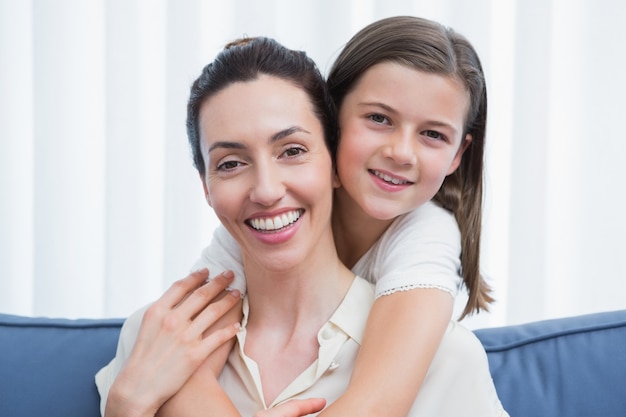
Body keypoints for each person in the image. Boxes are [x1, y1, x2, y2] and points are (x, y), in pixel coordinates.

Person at [96, 35, 507, 416]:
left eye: (292, 150)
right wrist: (124, 406)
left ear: (333, 159)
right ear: (205, 186)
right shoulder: (155, 342)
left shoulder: (445, 358)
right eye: (231, 163)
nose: (267, 190)